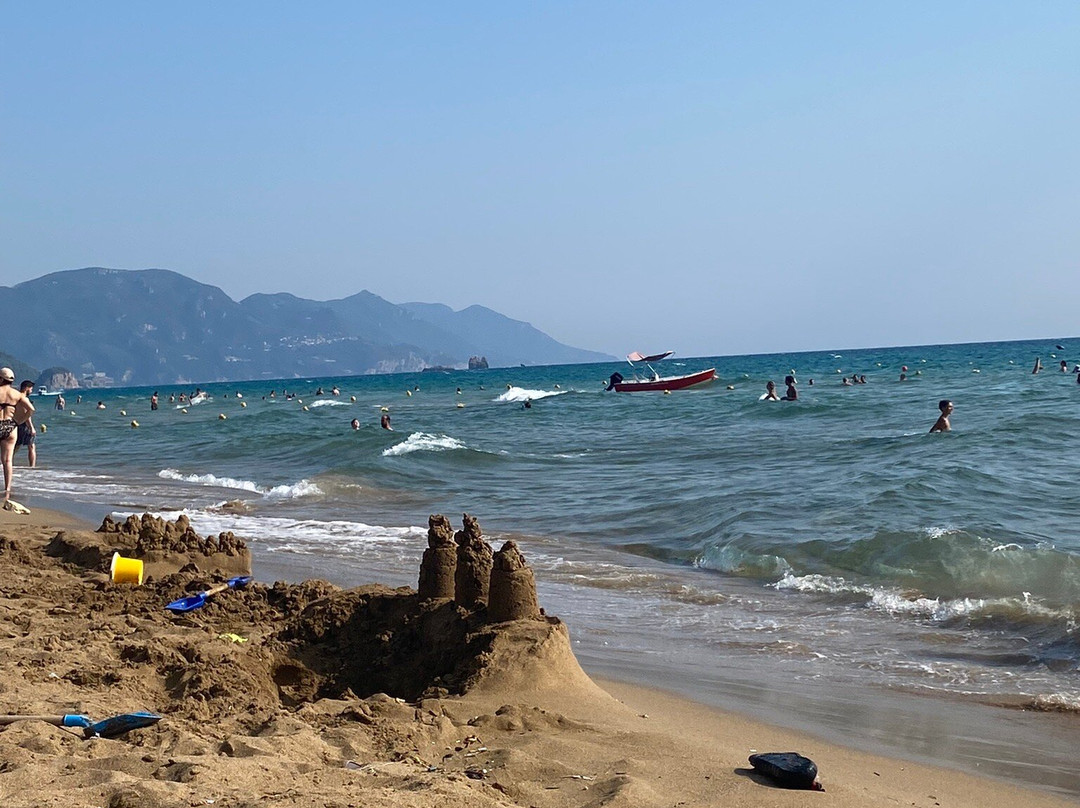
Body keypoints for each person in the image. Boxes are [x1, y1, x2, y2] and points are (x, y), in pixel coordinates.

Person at [0, 368, 35, 500]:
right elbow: (31, 409)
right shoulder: (17, 394)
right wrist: (19, 420)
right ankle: (7, 488)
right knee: (7, 460)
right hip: (10, 425)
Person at [15, 381, 36, 468]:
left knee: (15, 446)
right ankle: (32, 467)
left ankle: (5, 462)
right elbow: (27, 413)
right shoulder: (24, 399)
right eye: (31, 389)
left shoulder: (15, 397)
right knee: (31, 446)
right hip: (24, 424)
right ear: (26, 388)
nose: (31, 391)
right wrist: (31, 427)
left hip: (15, 423)